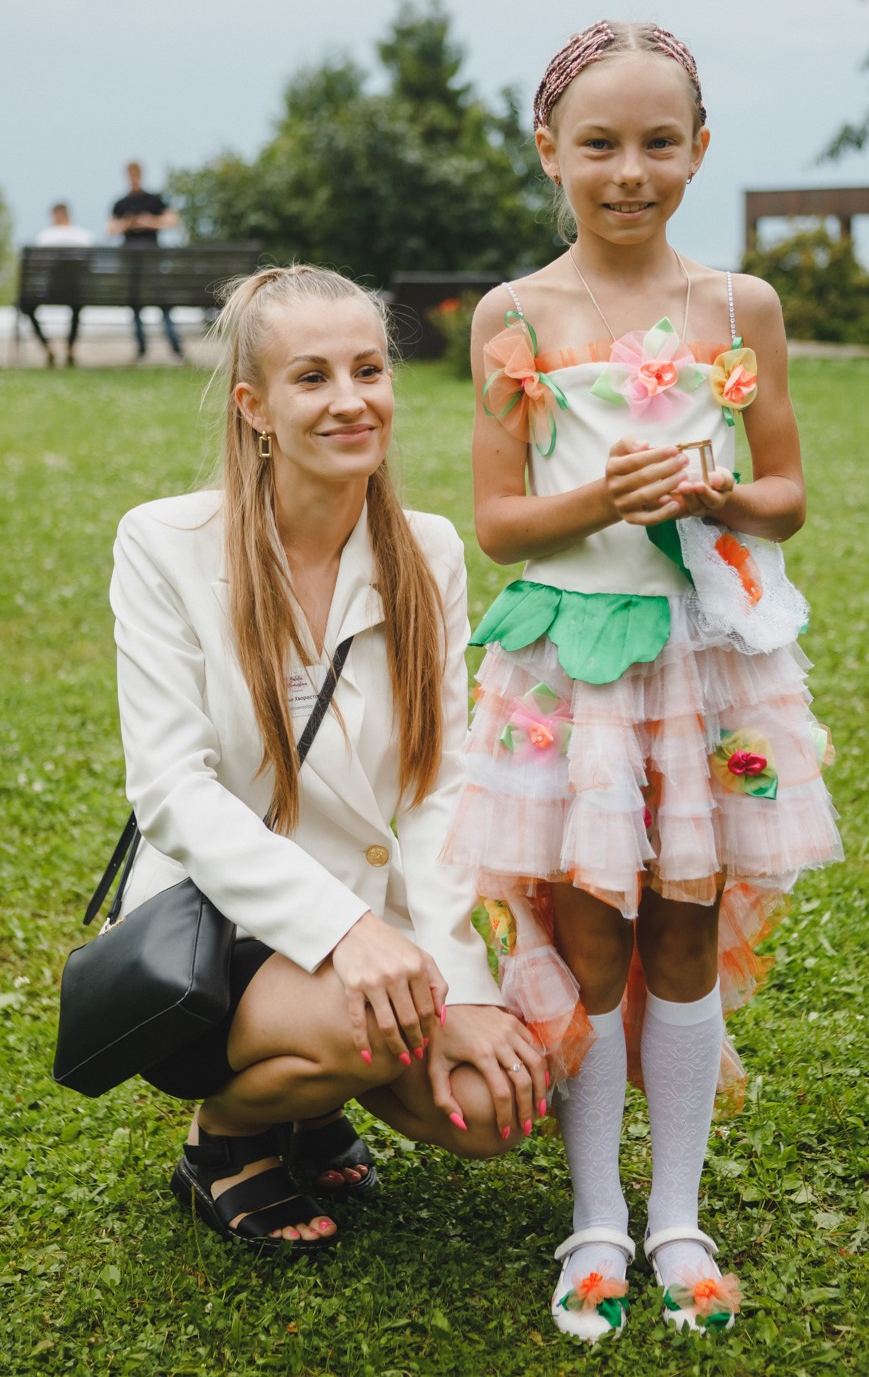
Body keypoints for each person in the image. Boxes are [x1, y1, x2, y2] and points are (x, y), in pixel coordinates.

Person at [441, 21, 842, 1340]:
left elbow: (786, 493)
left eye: (659, 143)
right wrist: (590, 500)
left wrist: (731, 494)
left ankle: (676, 1216)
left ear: (700, 150)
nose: (630, 170)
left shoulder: (741, 309)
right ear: (548, 152)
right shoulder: (516, 315)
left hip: (703, 662)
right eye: (599, 143)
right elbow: (497, 522)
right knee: (588, 933)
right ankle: (595, 1224)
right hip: (575, 673)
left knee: (683, 930)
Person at [109, 264, 545, 1254]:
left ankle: (312, 1108)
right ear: (256, 406)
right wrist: (344, 930)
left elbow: (442, 778)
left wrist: (463, 983)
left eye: (368, 369)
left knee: (493, 1106)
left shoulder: (424, 550)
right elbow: (174, 791)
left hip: (368, 920)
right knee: (364, 1026)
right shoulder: (165, 543)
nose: (350, 401)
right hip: (216, 921)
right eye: (312, 378)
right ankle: (226, 1142)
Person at [107, 160, 184, 362]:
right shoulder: (121, 204)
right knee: (136, 303)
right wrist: (127, 224)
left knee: (162, 302)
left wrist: (149, 222)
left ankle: (174, 346)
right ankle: (143, 348)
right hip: (132, 262)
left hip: (152, 261)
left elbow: (172, 220)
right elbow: (110, 228)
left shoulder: (154, 200)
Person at [26, 203, 94, 367]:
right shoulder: (84, 236)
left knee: (26, 305)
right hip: (75, 292)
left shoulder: (45, 237)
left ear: (54, 216)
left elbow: (38, 267)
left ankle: (47, 347)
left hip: (51, 291)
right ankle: (70, 348)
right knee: (76, 305)